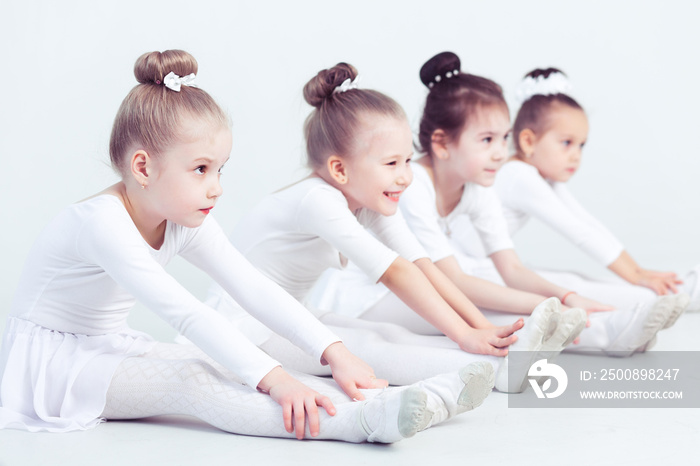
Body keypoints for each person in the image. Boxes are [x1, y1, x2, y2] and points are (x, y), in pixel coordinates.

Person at [0, 50, 485, 443]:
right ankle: (363, 422)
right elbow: (187, 314)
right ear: (144, 168)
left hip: (106, 346)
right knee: (194, 384)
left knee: (214, 366)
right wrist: (276, 378)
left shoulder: (184, 216)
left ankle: (406, 398)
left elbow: (251, 286)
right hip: (52, 366)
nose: (216, 187)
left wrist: (332, 351)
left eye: (220, 169)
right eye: (200, 169)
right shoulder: (102, 224)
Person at [208, 61, 576, 393]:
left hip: (291, 313)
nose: (405, 176)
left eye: (406, 161)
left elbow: (421, 266)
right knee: (369, 347)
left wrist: (481, 327)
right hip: (246, 327)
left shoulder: (368, 198)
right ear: (340, 169)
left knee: (387, 332)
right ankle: (499, 372)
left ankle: (502, 357)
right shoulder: (319, 201)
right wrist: (465, 335)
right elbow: (395, 273)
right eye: (391, 163)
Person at [312, 52, 684, 357]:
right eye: (487, 139)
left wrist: (567, 297)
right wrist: (552, 305)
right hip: (366, 298)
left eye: (503, 138)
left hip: (436, 287)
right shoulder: (411, 185)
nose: (499, 152)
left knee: (541, 290)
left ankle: (617, 321)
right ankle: (606, 332)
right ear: (442, 144)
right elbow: (452, 283)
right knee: (491, 310)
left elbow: (513, 270)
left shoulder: (478, 187)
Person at [492, 67, 699, 311]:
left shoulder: (540, 177)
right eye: (566, 143)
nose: (576, 156)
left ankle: (684, 289)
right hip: (475, 274)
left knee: (577, 280)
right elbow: (579, 233)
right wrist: (637, 276)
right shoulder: (518, 176)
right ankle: (683, 294)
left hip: (491, 269)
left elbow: (587, 223)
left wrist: (638, 271)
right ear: (528, 141)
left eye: (581, 145)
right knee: (576, 286)